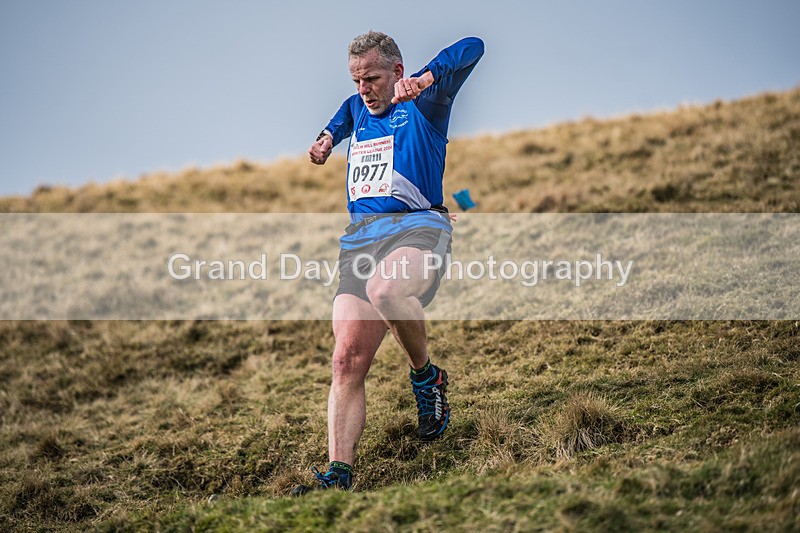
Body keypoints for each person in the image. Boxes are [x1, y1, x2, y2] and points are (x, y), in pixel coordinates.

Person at [293, 31, 483, 495]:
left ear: (396, 72)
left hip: (418, 229)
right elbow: (341, 118)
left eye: (373, 78)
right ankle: (338, 475)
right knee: (345, 360)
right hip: (359, 243)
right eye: (357, 79)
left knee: (387, 290)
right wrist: (323, 141)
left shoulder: (425, 99)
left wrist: (425, 77)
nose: (364, 89)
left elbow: (474, 45)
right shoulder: (357, 105)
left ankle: (425, 377)